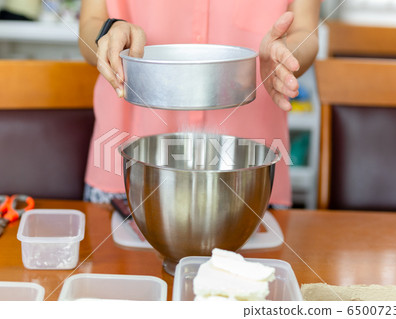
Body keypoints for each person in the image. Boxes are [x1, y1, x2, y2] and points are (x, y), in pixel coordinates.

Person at [79, 0, 321, 206]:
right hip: (123, 174)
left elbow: (305, 31)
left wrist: (286, 54)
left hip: (251, 180)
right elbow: (89, 24)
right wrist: (109, 33)